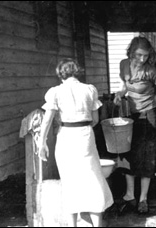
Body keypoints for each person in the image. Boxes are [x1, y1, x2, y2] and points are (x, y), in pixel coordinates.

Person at [37, 58, 113, 227]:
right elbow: (95, 119)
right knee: (92, 179)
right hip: (85, 136)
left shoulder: (55, 92)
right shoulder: (89, 89)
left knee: (70, 181)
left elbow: (47, 120)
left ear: (60, 74)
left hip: (66, 137)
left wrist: (42, 143)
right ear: (77, 72)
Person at [113, 36, 156, 214]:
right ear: (131, 53)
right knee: (127, 153)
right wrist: (120, 94)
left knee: (147, 156)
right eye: (138, 55)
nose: (142, 59)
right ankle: (129, 195)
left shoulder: (150, 71)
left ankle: (143, 199)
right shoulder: (124, 65)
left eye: (145, 56)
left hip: (150, 115)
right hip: (131, 115)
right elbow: (124, 86)